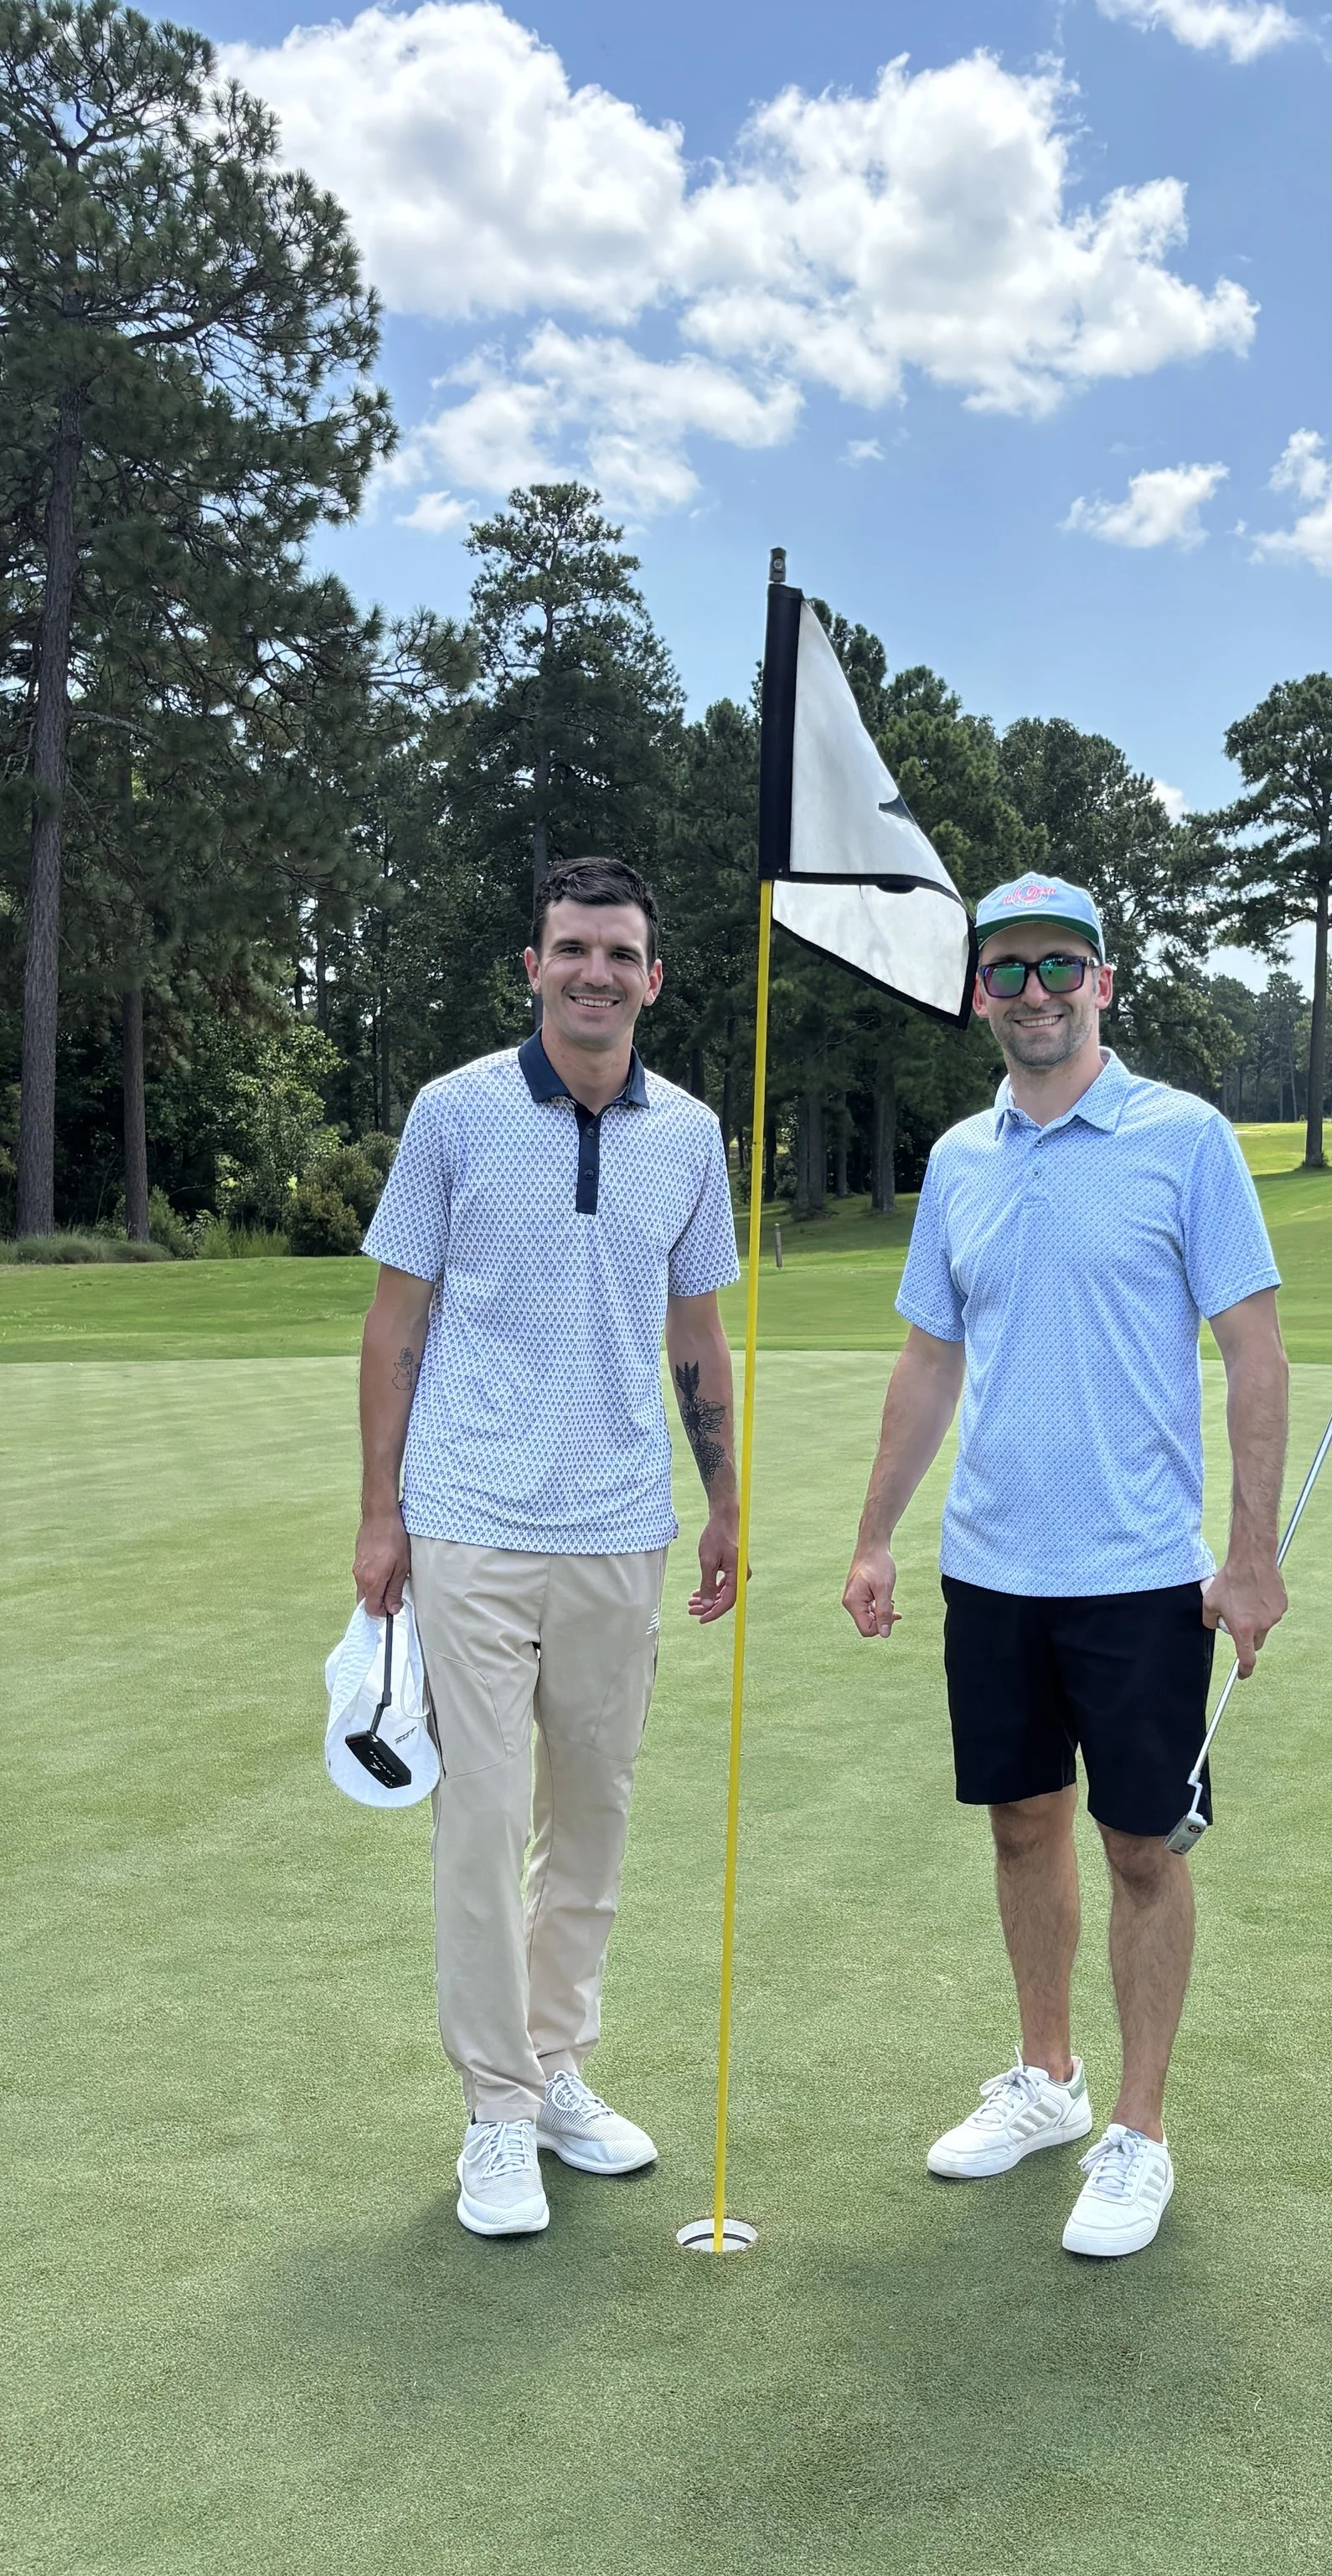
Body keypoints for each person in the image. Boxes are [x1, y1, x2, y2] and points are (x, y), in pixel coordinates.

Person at [842, 873, 1289, 2259]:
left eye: (1058, 968)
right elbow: (929, 1357)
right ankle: (1048, 2079)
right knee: (1022, 1825)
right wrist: (875, 1534)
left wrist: (1253, 1556)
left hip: (1144, 1572)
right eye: (1006, 973)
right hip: (992, 1571)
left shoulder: (1185, 1139)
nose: (1033, 994)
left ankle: (1137, 2133)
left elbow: (1254, 1354)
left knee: (1144, 1849)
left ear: (1103, 980)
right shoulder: (962, 1160)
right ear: (979, 993)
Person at [354, 853, 741, 2239]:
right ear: (534, 967)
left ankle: (558, 2062)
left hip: (622, 1526)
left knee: (595, 1819)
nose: (594, 972)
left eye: (618, 952)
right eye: (570, 948)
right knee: (482, 1822)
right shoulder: (454, 1112)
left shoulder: (690, 1133)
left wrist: (727, 1503)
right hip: (467, 1517)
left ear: (653, 976)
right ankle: (497, 2113)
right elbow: (396, 1323)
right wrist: (379, 1512)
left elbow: (697, 1332)